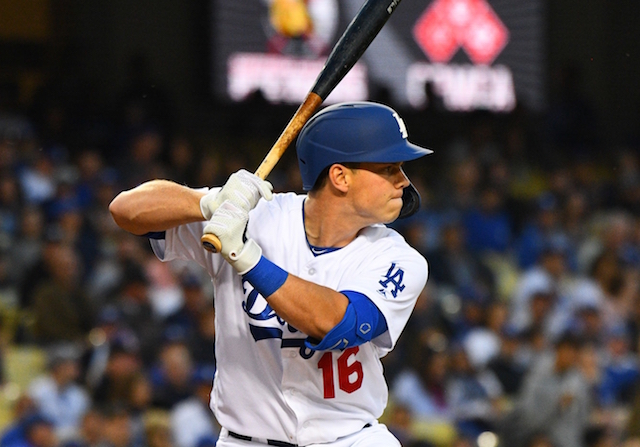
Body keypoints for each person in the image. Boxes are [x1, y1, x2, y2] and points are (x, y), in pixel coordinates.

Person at [109, 101, 433, 446]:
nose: (403, 181)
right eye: (390, 168)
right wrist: (208, 203)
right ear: (340, 176)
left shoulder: (398, 257)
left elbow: (338, 323)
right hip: (246, 440)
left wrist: (246, 257)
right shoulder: (256, 216)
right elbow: (125, 210)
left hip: (349, 439)